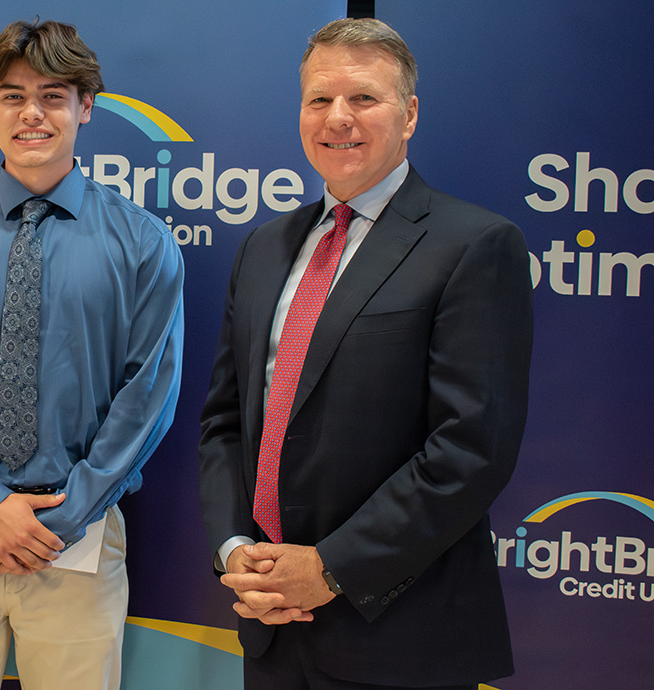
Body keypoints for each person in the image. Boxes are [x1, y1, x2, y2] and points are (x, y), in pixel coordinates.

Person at [198, 18, 533, 690]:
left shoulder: (474, 245)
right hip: (271, 628)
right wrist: (237, 550)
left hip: (401, 637)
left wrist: (327, 569)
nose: (338, 118)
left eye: (364, 98)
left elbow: (470, 449)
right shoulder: (264, 248)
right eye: (319, 99)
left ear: (409, 114)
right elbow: (226, 423)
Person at [0, 19, 184, 690]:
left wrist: (67, 514)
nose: (33, 114)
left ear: (86, 107)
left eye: (53, 94)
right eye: (13, 96)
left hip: (77, 536)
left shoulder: (143, 243)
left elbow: (148, 395)